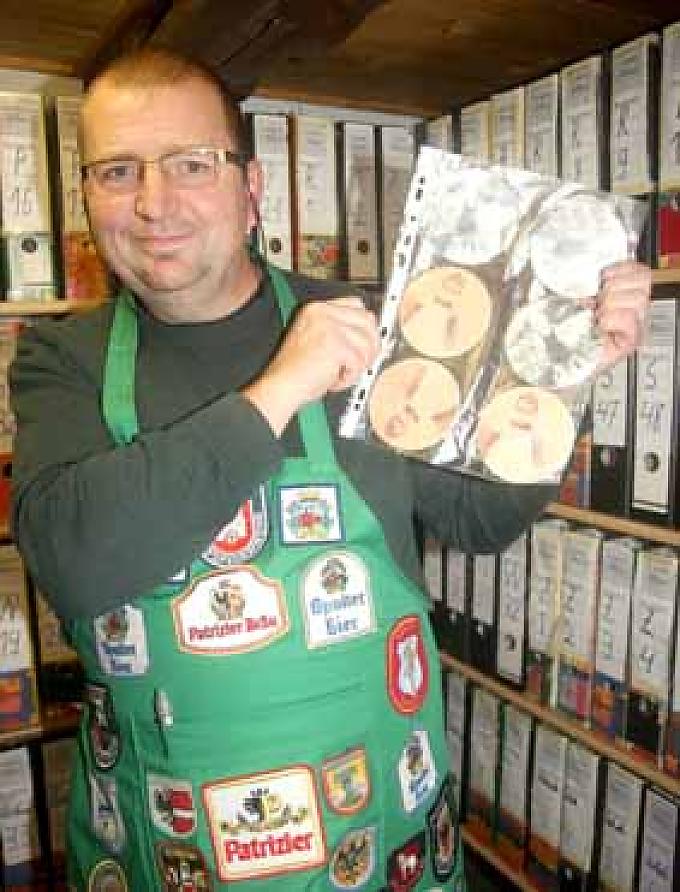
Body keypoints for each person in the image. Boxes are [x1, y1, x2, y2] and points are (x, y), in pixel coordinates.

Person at [9, 49, 651, 892]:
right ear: (88, 194)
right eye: (118, 170)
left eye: (191, 164)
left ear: (251, 189)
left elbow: (481, 521)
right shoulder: (62, 358)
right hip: (166, 855)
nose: (154, 203)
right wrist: (281, 390)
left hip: (382, 844)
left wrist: (563, 379)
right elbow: (76, 562)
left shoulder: (375, 328)